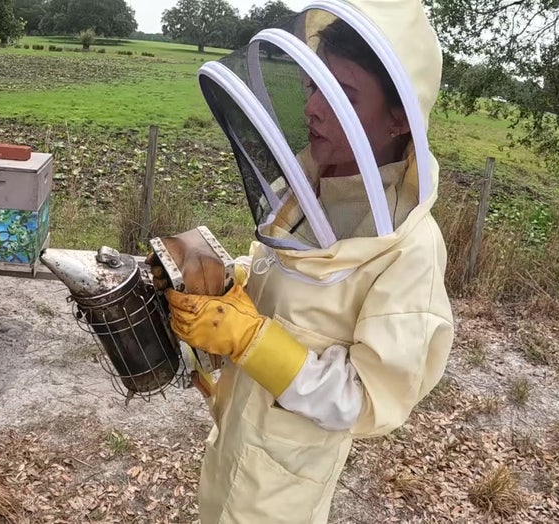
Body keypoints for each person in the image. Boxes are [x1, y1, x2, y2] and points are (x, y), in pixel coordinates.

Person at [150, 1, 455, 522]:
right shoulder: (301, 188)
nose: (313, 108)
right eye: (315, 88)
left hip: (288, 479)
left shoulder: (412, 249)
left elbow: (366, 399)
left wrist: (250, 339)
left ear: (400, 117)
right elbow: (281, 278)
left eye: (343, 96)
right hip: (231, 436)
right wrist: (225, 287)